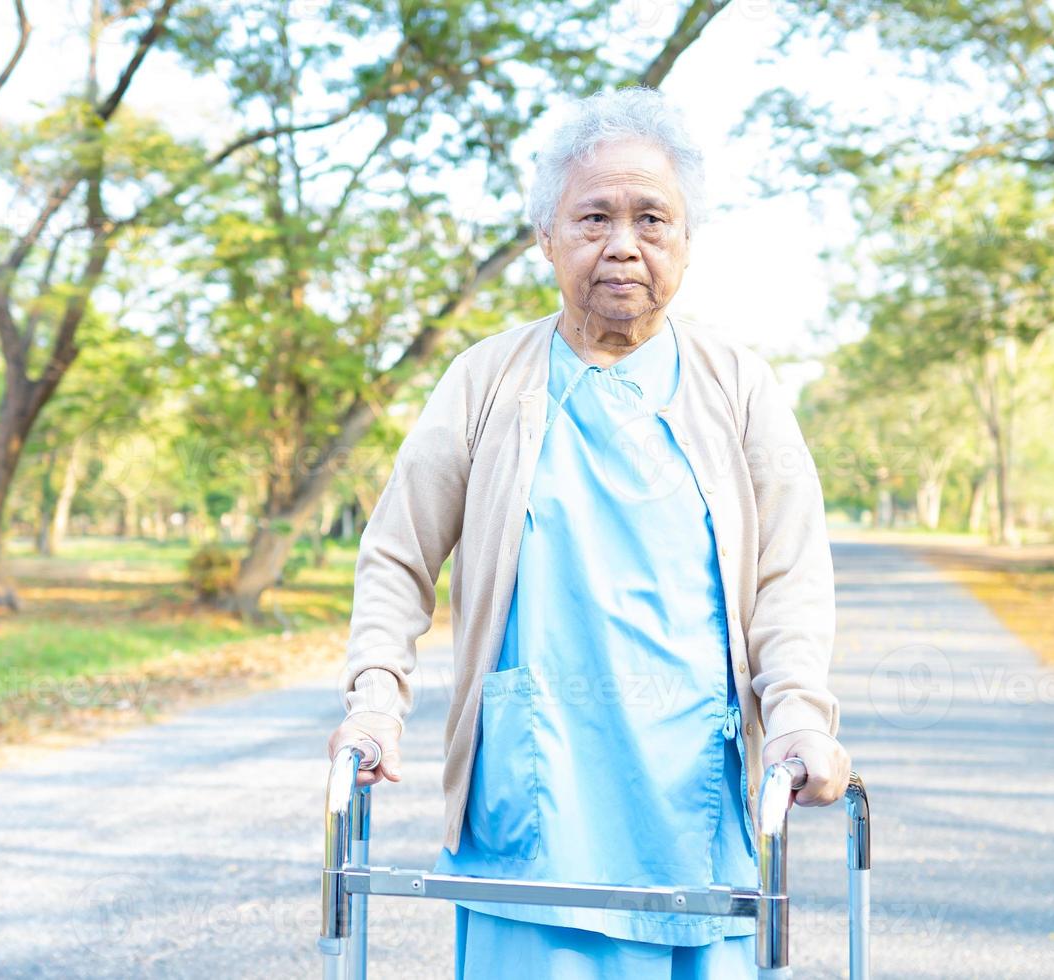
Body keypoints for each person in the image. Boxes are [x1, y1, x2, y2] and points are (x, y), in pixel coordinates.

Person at [325, 85, 851, 978]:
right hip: (536, 795)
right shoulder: (486, 380)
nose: (623, 244)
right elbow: (396, 552)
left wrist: (799, 716)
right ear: (547, 237)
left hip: (695, 791)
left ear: (686, 242)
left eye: (653, 219)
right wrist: (376, 696)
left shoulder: (739, 386)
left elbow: (789, 577)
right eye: (594, 216)